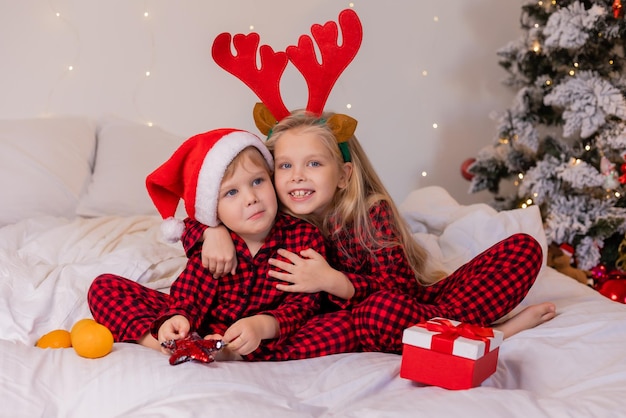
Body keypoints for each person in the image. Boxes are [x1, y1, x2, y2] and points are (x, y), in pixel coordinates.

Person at [185, 111, 556, 355]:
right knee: (366, 320)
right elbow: (212, 205)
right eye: (285, 165)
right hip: (339, 323)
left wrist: (334, 281)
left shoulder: (369, 214)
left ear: (345, 174)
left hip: (403, 306)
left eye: (314, 163)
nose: (297, 176)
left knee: (522, 247)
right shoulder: (271, 210)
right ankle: (481, 336)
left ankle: (476, 332)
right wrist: (210, 231)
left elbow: (402, 292)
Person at [87, 128, 357, 361]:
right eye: (231, 192)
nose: (251, 198)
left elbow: (302, 306)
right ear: (211, 209)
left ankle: (233, 352)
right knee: (104, 287)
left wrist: (262, 326)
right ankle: (170, 343)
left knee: (344, 324)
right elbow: (190, 295)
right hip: (205, 326)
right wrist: (177, 319)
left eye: (258, 181)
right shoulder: (215, 242)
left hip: (266, 334)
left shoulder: (302, 236)